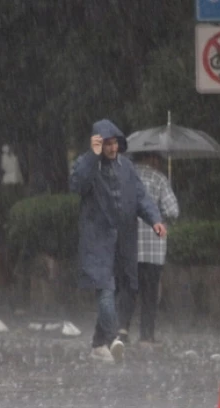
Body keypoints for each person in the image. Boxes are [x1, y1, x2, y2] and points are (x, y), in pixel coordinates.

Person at [70, 119, 166, 364]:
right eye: (107, 144)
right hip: (97, 240)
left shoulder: (127, 168)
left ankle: (97, 343)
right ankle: (113, 339)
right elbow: (78, 184)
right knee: (105, 289)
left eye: (115, 144)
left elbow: (141, 197)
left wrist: (154, 219)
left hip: (125, 239)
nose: (112, 149)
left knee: (128, 287)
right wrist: (92, 157)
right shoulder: (86, 164)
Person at [118, 152, 180, 346]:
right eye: (159, 160)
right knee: (150, 293)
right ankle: (146, 336)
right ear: (153, 159)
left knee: (128, 290)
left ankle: (122, 331)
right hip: (153, 248)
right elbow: (172, 210)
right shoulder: (159, 179)